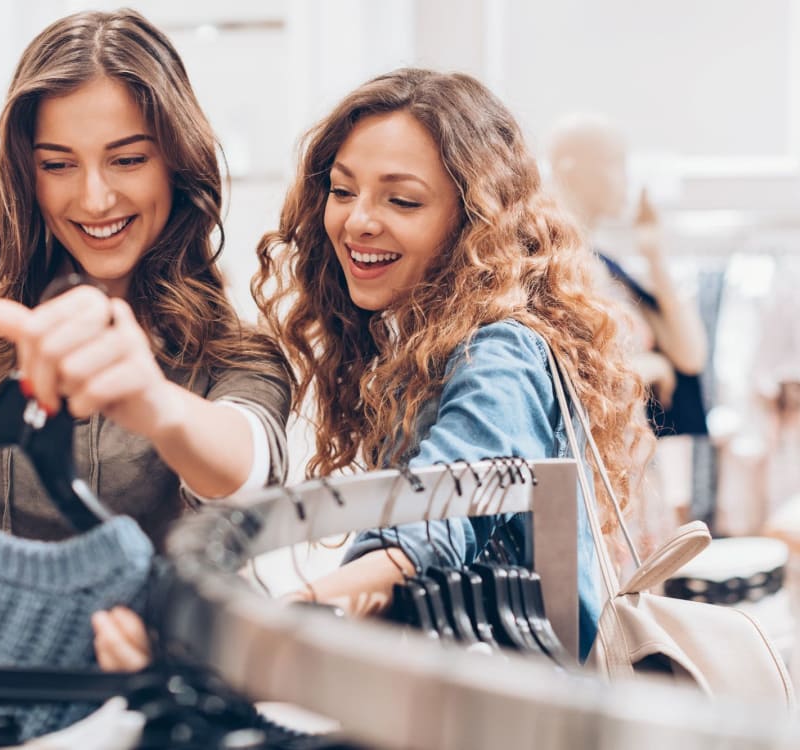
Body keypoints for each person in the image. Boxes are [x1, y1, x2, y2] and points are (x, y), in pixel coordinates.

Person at [95, 68, 654, 670]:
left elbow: (439, 516)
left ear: (474, 220)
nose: (358, 220)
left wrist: (258, 628)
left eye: (402, 199)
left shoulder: (498, 354)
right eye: (342, 191)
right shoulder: (416, 348)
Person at [0, 9, 291, 668]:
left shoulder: (238, 358)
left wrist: (156, 405)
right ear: (26, 173)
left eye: (128, 159)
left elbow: (247, 464)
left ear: (177, 161)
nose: (95, 196)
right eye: (58, 164)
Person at [546, 114, 708, 431]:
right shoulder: (549, 264)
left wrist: (655, 256)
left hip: (631, 460)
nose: (626, 179)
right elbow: (566, 378)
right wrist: (646, 368)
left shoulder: (606, 266)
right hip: (594, 459)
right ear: (571, 170)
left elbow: (690, 357)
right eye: (614, 163)